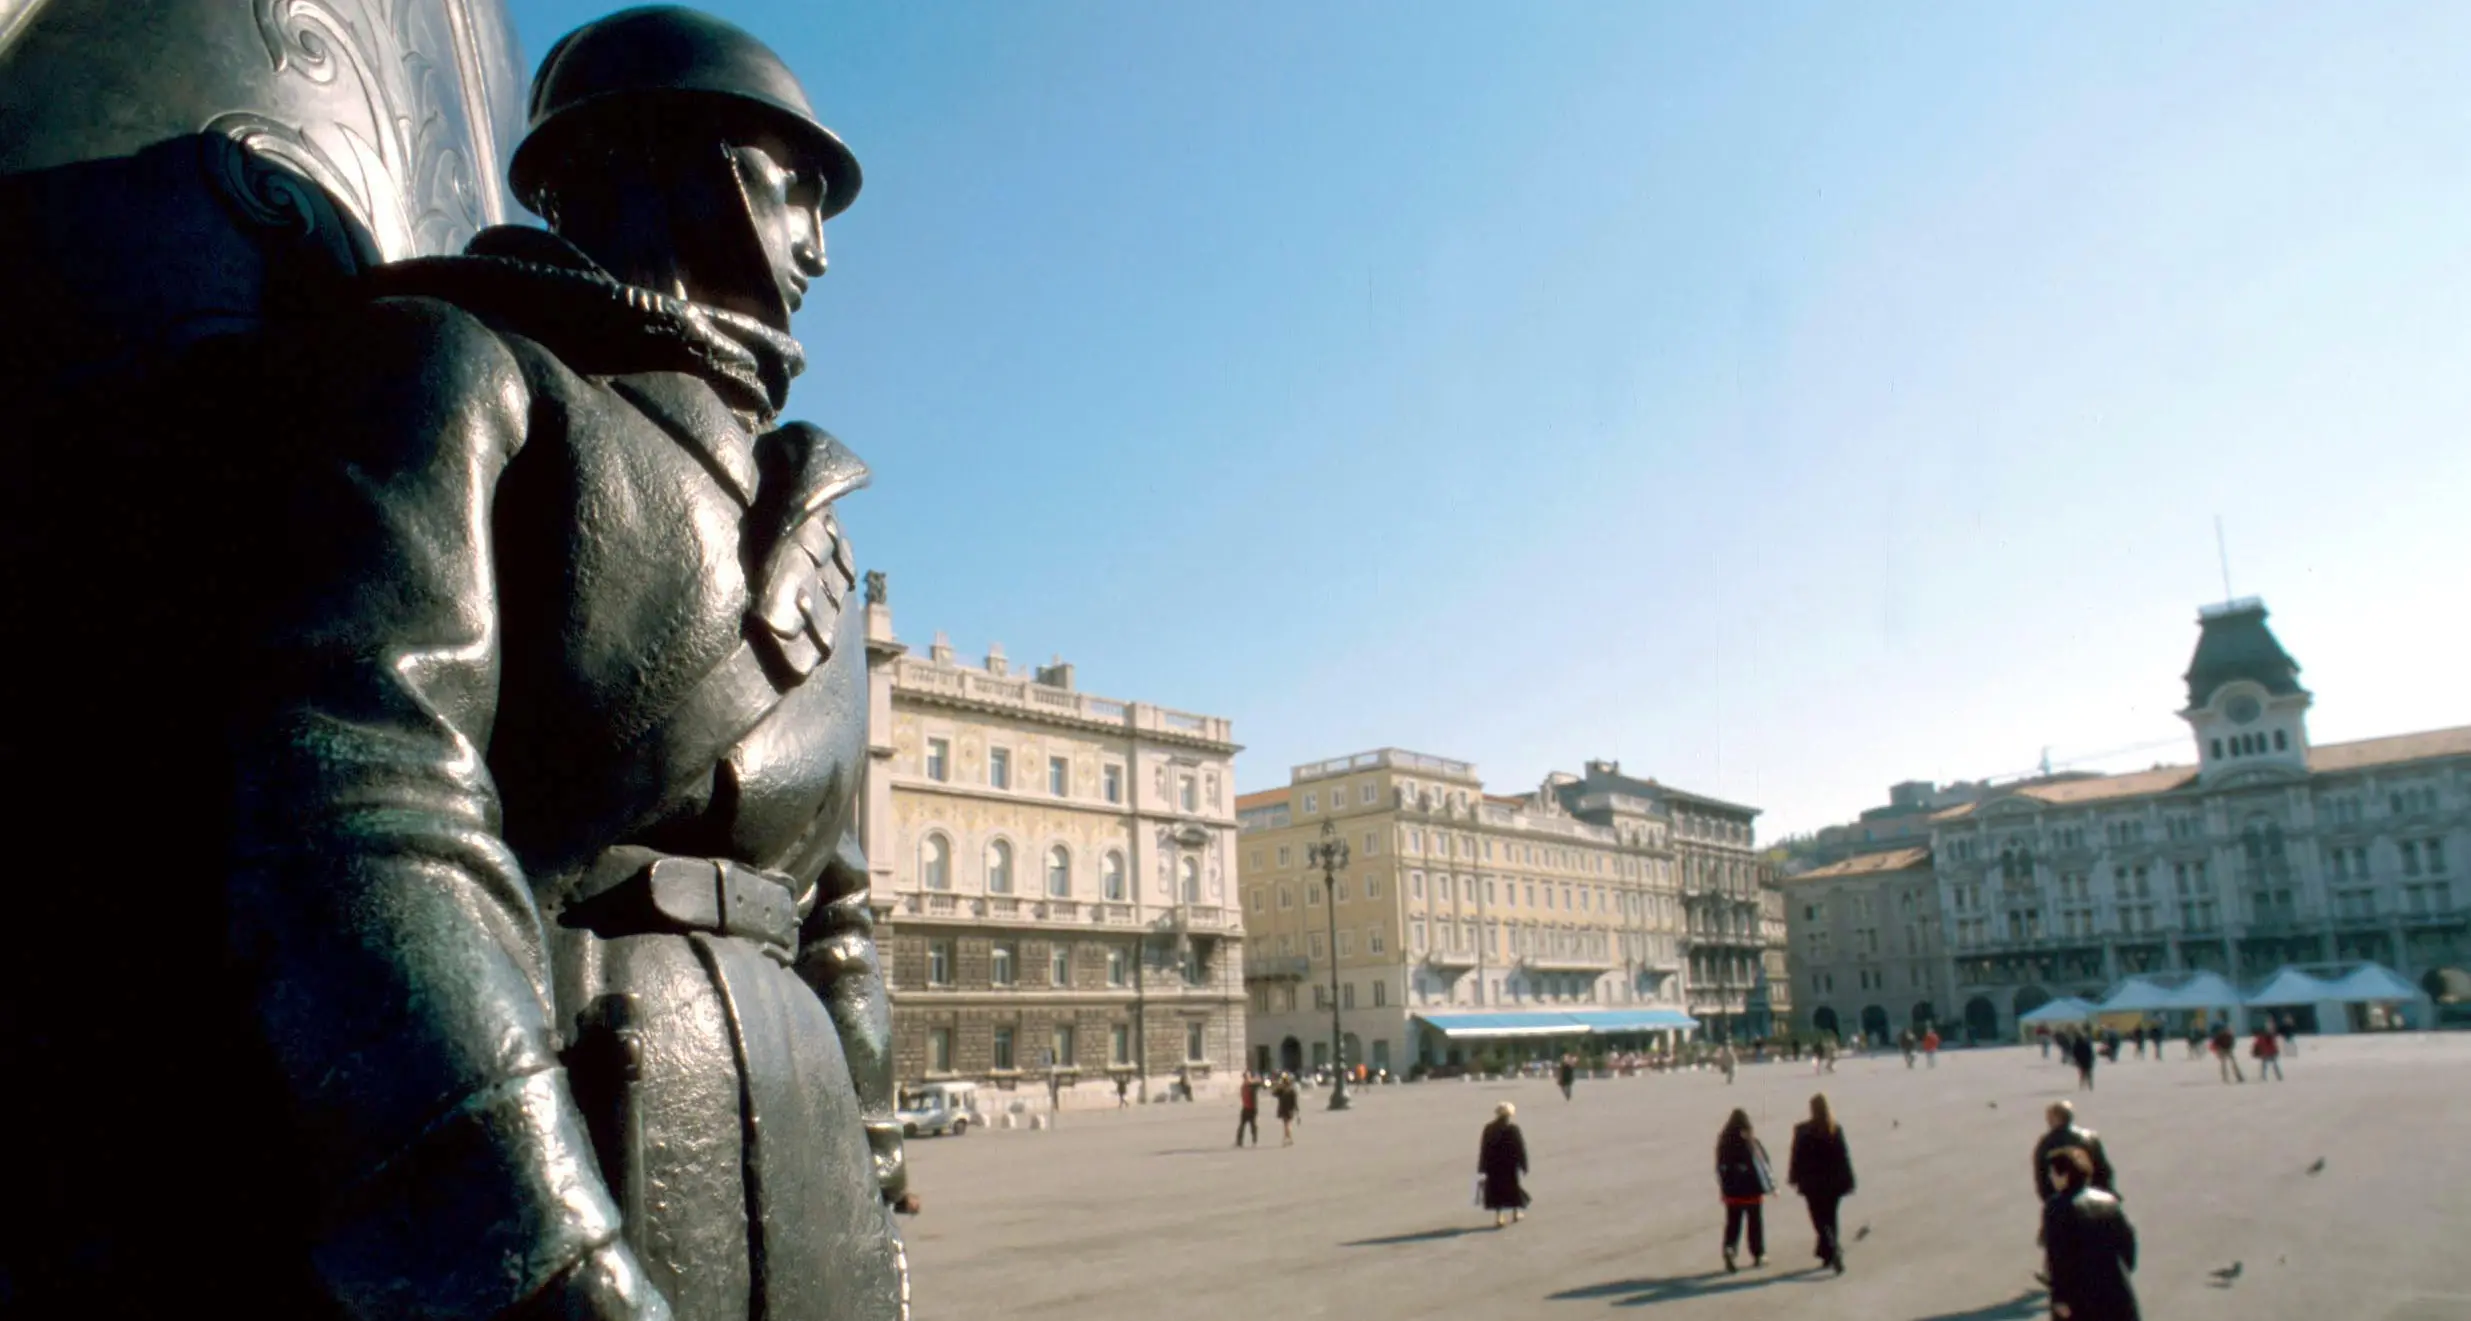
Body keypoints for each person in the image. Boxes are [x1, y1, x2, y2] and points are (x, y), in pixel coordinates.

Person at [2043, 1146, 2141, 1320]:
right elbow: (2128, 1241)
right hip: (2116, 1289)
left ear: (2064, 1175)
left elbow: (2058, 1254)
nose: (2051, 1178)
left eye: (2053, 1173)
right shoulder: (2109, 1201)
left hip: (2081, 1295)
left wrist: (2060, 1296)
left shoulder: (2058, 1207)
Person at [1788, 1094, 1855, 1274]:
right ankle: (1827, 1253)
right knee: (1831, 1218)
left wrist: (1793, 1177)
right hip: (1833, 1184)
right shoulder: (1834, 1129)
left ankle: (1833, 1252)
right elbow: (1843, 1157)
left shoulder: (1802, 1130)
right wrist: (1849, 1180)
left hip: (1812, 1184)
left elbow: (1796, 1157)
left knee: (1820, 1221)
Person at [1715, 1108, 1774, 1272]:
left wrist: (1724, 1185)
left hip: (1732, 1192)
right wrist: (1770, 1185)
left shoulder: (1723, 1143)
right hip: (1751, 1191)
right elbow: (1763, 1164)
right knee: (1754, 1223)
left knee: (1733, 1223)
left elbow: (1719, 1167)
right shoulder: (1751, 1142)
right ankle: (1758, 1254)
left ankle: (1730, 1248)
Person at [2032, 1101, 2118, 1205]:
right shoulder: (2090, 1138)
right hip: (2094, 1197)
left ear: (2054, 1119)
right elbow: (2104, 1170)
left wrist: (2051, 1202)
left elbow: (2041, 1177)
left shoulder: (2046, 1143)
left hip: (2063, 1201)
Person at [1478, 1102, 1530, 1228]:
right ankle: (1516, 1212)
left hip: (1494, 1165)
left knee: (1496, 1191)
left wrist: (1482, 1166)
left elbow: (1484, 1148)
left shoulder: (1489, 1128)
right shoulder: (1513, 1129)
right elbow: (1520, 1148)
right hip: (1509, 1164)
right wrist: (1524, 1165)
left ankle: (1499, 1217)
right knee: (1513, 1187)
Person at [1275, 1072, 1302, 1145]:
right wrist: (1297, 1113)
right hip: (1289, 1110)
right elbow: (1295, 1103)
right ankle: (1288, 1139)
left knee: (1286, 1124)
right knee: (1287, 1124)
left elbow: (1274, 1093)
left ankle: (1287, 1139)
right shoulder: (1291, 1090)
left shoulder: (1282, 1089)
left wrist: (1278, 1086)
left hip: (1284, 1109)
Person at [1235, 1072, 1261, 1146]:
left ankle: (1254, 1140)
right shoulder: (1244, 1086)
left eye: (1248, 1077)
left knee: (1253, 1125)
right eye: (1246, 1077)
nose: (1247, 1079)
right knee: (1242, 1126)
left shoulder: (1252, 1086)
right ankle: (1239, 1141)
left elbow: (1259, 1083)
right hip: (1245, 1108)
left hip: (1252, 1109)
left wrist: (1255, 1079)